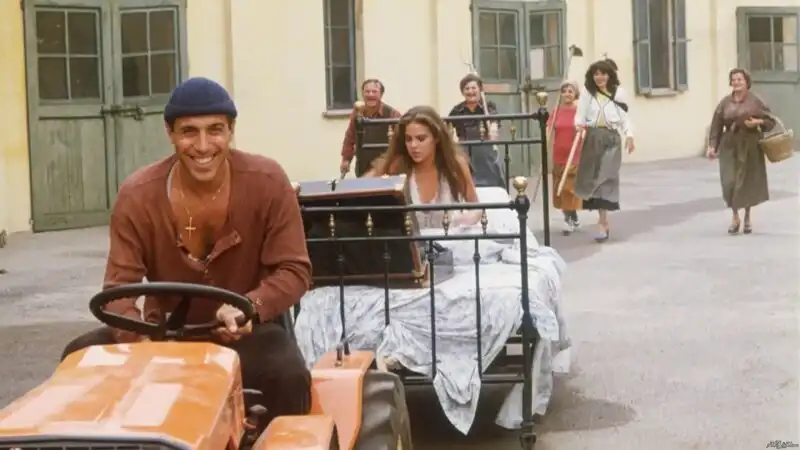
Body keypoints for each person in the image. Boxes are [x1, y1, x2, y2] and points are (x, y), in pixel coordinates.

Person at [60, 77, 313, 429]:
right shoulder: (137, 195)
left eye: (215, 130)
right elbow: (117, 289)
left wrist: (250, 307)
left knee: (288, 374)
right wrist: (141, 339)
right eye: (189, 132)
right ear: (170, 133)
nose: (203, 145)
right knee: (77, 359)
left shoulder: (268, 181)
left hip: (242, 335)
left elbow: (294, 270)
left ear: (231, 131)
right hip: (160, 334)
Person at [366, 105, 480, 229]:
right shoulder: (396, 165)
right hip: (410, 240)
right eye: (408, 139)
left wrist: (466, 219)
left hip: (448, 239)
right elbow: (359, 188)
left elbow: (476, 207)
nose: (413, 145)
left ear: (436, 138)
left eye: (421, 139)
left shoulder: (455, 164)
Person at [706, 68, 774, 234]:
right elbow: (716, 125)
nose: (736, 82)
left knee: (746, 182)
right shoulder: (725, 103)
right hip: (729, 144)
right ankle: (735, 214)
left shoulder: (756, 101)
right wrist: (712, 145)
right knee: (729, 181)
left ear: (746, 82)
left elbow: (770, 121)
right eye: (734, 79)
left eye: (739, 79)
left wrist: (757, 122)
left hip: (750, 144)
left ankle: (746, 217)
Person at [574, 60, 634, 242]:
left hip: (612, 138)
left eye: (603, 74)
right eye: (596, 74)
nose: (599, 77)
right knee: (593, 178)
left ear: (610, 75)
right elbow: (580, 114)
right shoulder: (588, 93)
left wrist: (629, 135)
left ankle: (602, 222)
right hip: (593, 137)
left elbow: (625, 117)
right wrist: (578, 125)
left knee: (606, 176)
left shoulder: (619, 93)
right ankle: (603, 220)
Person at [448, 73, 506, 188]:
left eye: (473, 88)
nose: (470, 91)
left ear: (480, 89)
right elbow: (447, 128)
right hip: (465, 152)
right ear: (462, 92)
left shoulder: (488, 107)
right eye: (467, 88)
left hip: (485, 152)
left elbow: (494, 121)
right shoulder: (457, 110)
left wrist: (493, 129)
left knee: (492, 185)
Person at [340, 79, 402, 177]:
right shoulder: (357, 112)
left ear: (381, 94)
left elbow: (402, 138)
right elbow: (350, 136)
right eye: (367, 91)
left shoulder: (392, 114)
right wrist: (346, 159)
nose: (370, 95)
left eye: (374, 91)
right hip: (363, 164)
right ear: (362, 94)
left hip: (384, 165)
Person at [547, 80, 583, 235]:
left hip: (574, 155)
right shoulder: (556, 111)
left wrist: (583, 130)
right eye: (564, 91)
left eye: (570, 91)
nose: (567, 94)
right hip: (558, 155)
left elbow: (586, 130)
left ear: (575, 94)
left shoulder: (580, 112)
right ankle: (573, 216)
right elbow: (549, 128)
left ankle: (568, 220)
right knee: (559, 190)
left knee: (568, 188)